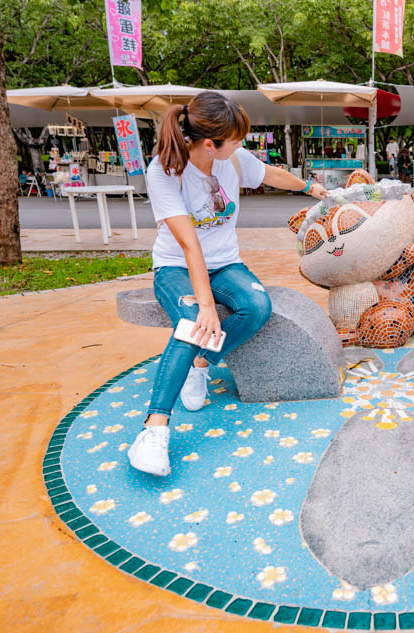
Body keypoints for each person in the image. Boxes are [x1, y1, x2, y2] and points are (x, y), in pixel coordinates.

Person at [128, 92, 328, 477]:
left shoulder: (232, 158)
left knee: (256, 307)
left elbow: (270, 174)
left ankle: (200, 363)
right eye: (236, 140)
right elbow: (188, 246)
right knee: (190, 320)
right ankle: (154, 429)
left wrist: (308, 188)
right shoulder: (165, 171)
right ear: (208, 144)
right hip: (176, 267)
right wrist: (205, 306)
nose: (242, 146)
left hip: (225, 263)